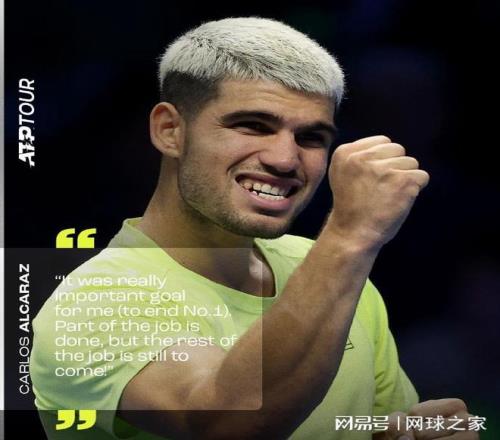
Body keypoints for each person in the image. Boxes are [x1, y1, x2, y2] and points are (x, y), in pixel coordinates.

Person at [30, 17, 478, 440]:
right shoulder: (90, 302)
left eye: (311, 138)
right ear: (170, 131)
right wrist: (350, 235)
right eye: (253, 125)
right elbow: (227, 425)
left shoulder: (329, 267)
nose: (285, 159)